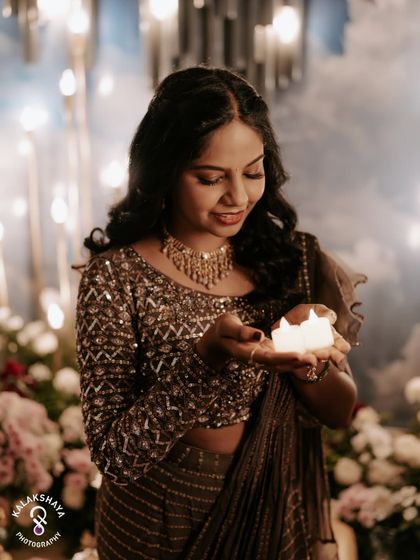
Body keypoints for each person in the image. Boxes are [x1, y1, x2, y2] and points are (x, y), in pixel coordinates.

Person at [76, 65, 365, 560]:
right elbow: (116, 456)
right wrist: (205, 361)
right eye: (211, 178)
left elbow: (339, 413)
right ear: (164, 171)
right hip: (154, 523)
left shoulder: (292, 261)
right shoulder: (115, 278)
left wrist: (302, 353)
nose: (238, 197)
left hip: (269, 509)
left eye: (253, 172)